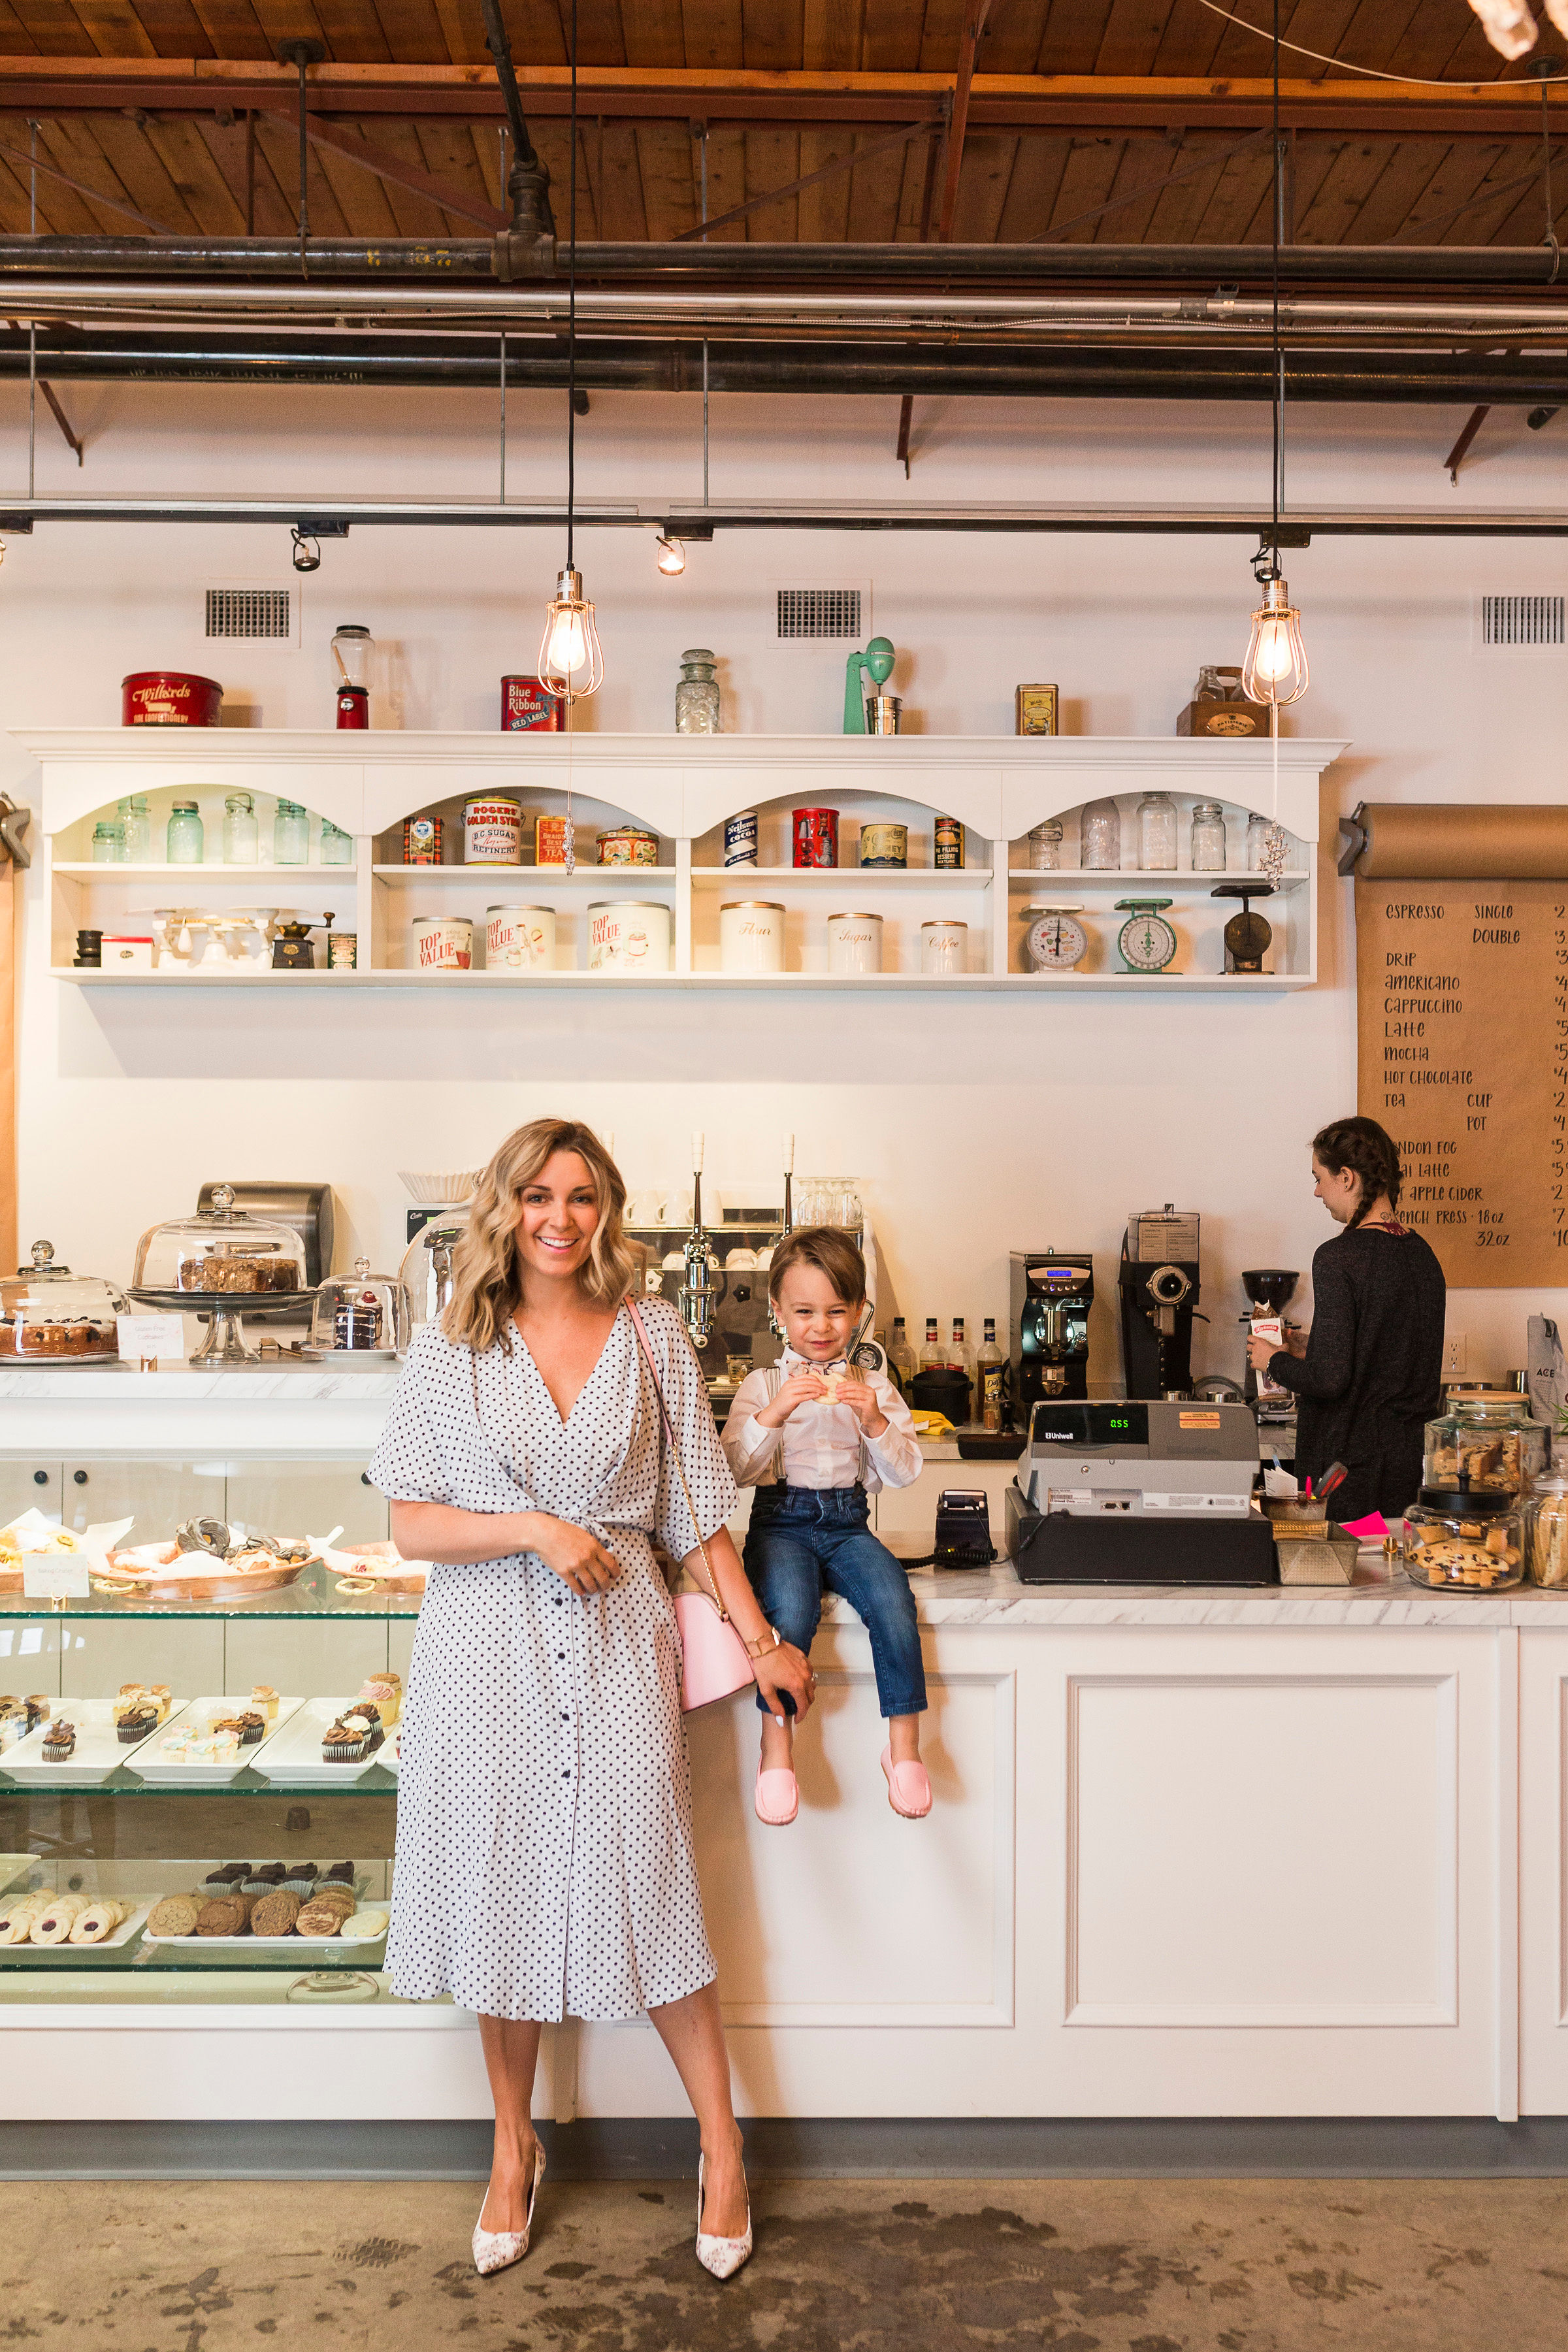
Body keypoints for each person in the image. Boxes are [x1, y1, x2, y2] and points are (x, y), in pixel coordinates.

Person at [368, 1118, 813, 2285]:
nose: (559, 1218)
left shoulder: (652, 1331)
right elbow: (410, 1520)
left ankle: (724, 2148)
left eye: (581, 1197)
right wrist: (535, 1529)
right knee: (498, 1889)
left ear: (606, 1212)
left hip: (619, 1647)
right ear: (503, 1208)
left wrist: (762, 1639)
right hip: (483, 1655)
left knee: (647, 1884)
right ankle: (513, 2148)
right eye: (537, 1196)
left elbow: (697, 1504)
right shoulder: (452, 1342)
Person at [721, 1226, 930, 1827]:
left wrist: (874, 1424)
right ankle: (776, 1748)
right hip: (780, 1524)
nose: (821, 1326)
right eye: (805, 1311)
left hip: (847, 1524)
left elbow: (905, 1472)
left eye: (837, 1311)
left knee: (893, 1602)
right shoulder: (761, 1385)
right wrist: (776, 1411)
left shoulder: (876, 1388)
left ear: (860, 1312)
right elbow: (734, 1468)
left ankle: (904, 1750)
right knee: (788, 1611)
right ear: (778, 1313)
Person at [1247, 1116, 1445, 1524]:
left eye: (1320, 1178)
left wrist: (1272, 1360)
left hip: (1348, 1473)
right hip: (1408, 1466)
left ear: (1348, 1177)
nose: (1317, 1191)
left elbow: (1329, 1381)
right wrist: (1306, 1347)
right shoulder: (1423, 1255)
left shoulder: (1338, 1256)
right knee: (1390, 1576)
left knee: (1343, 1581)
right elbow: (1384, 1352)